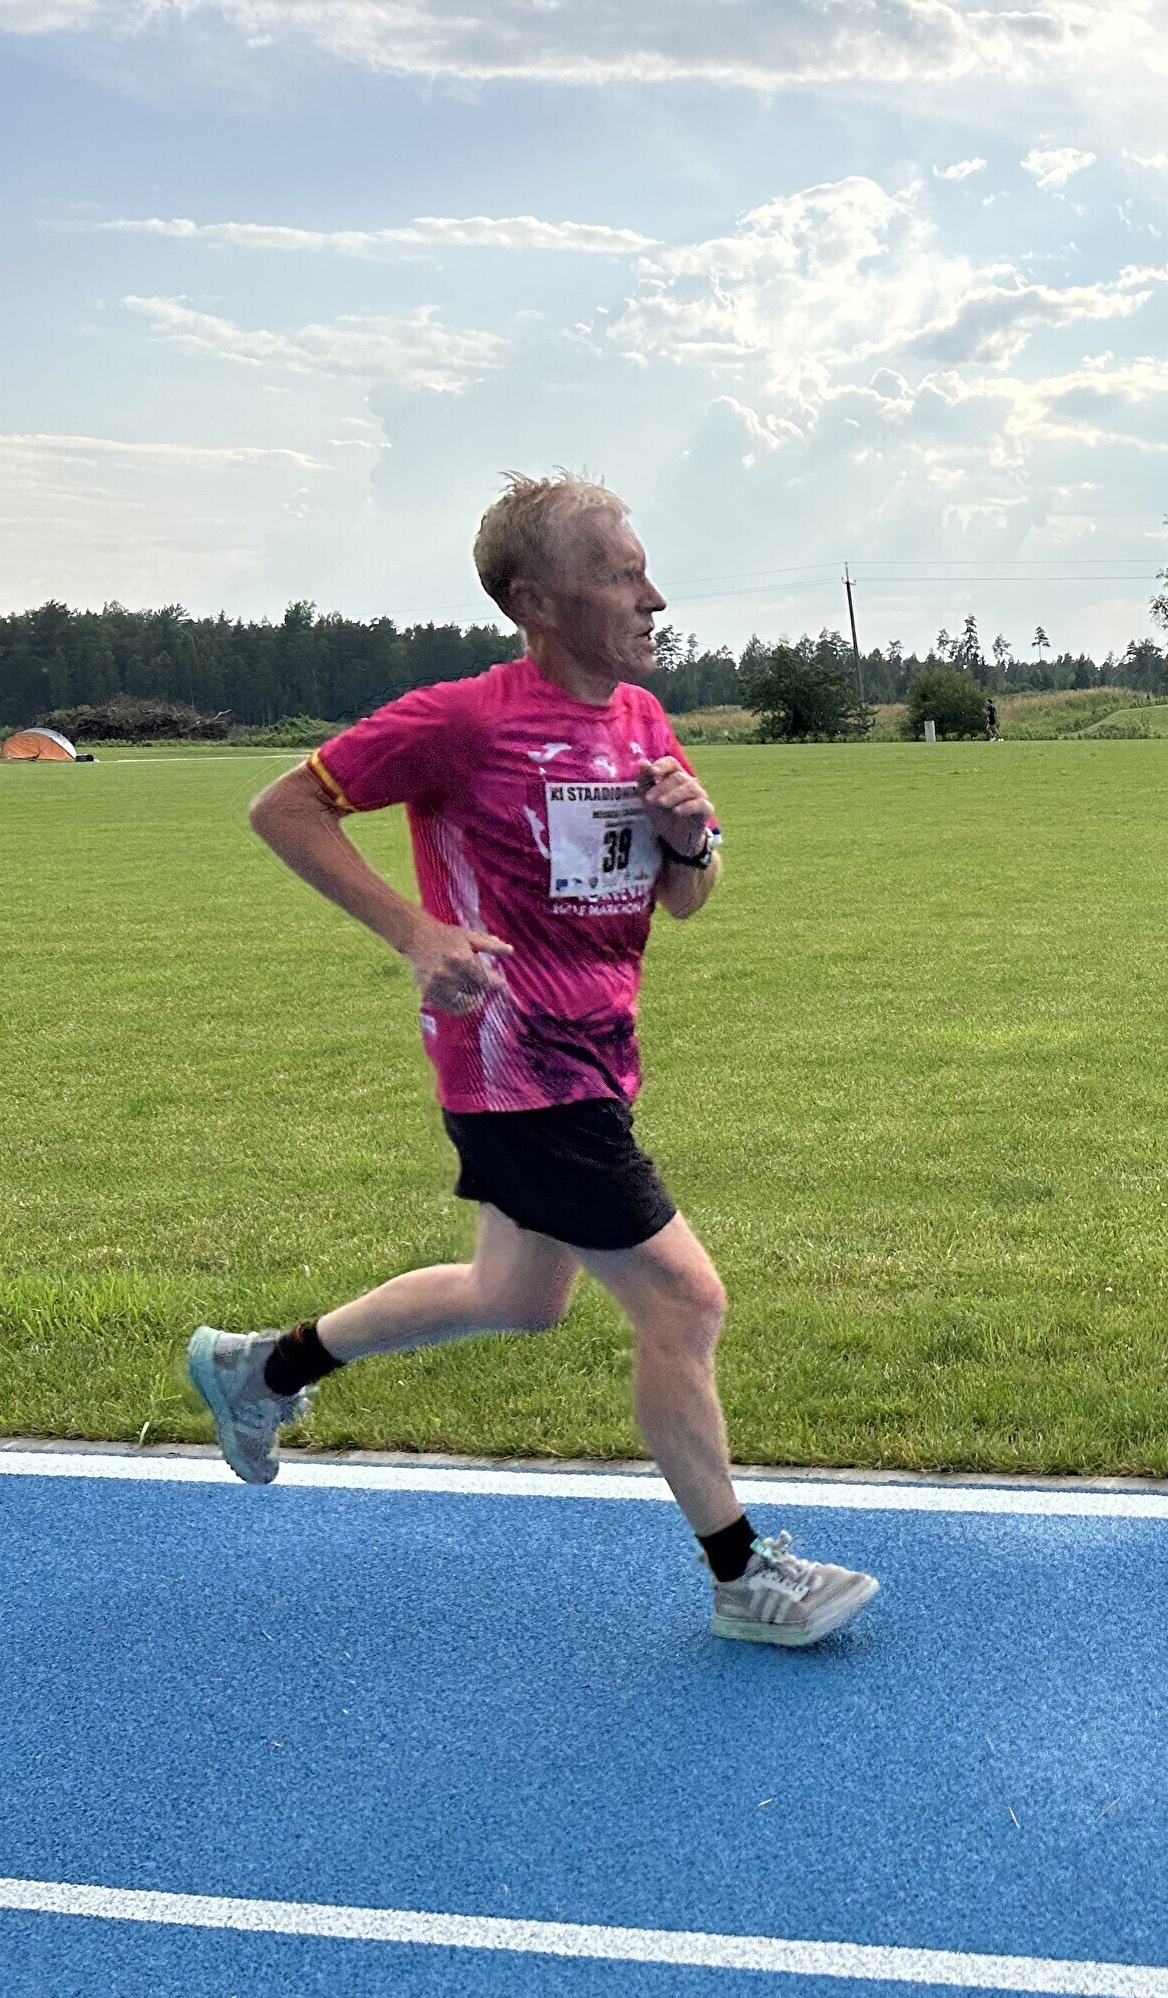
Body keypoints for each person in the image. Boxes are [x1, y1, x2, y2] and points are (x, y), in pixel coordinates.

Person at [187, 472, 878, 1649]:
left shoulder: (643, 720)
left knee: (515, 1294)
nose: (653, 597)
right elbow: (284, 807)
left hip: (597, 1054)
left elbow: (688, 897)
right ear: (535, 601)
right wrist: (416, 932)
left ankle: (262, 1367)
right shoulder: (463, 720)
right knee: (684, 1298)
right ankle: (743, 1574)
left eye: (643, 569)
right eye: (620, 574)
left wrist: (690, 838)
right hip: (520, 1065)